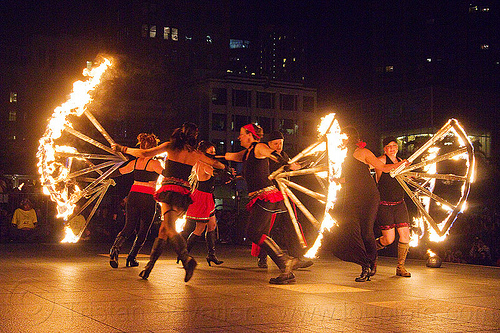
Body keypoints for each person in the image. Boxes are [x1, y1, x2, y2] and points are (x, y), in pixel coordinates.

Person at [113, 123, 225, 282]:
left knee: (170, 227)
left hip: (169, 191)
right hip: (184, 193)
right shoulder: (196, 154)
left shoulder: (171, 147)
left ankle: (187, 260)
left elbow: (144, 153)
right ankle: (148, 268)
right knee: (164, 230)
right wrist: (227, 169)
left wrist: (122, 148)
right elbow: (215, 163)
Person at [328, 127, 407, 282]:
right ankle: (365, 262)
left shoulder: (363, 152)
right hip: (352, 197)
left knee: (365, 232)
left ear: (349, 137)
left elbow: (383, 167)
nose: (340, 139)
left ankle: (368, 265)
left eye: (342, 137)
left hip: (368, 197)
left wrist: (401, 164)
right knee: (349, 229)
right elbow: (351, 177)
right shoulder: (342, 154)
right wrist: (336, 180)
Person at [225, 123, 298, 284]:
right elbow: (232, 156)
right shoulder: (248, 152)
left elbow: (272, 154)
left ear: (250, 135)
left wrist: (286, 162)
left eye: (242, 134)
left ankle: (285, 262)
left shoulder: (259, 147)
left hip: (266, 196)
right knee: (259, 233)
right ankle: (286, 268)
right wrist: (206, 156)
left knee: (254, 233)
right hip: (262, 197)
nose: (239, 137)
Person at [256, 130, 313, 270]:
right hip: (271, 195)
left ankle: (297, 256)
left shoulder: (284, 156)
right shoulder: (267, 156)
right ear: (268, 144)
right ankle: (262, 257)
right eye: (275, 143)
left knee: (292, 224)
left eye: (281, 143)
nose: (278, 146)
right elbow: (277, 168)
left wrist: (304, 165)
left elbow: (289, 170)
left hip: (285, 194)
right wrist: (289, 166)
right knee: (267, 226)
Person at [109, 133, 164, 269]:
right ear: (153, 149)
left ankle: (115, 250)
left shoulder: (134, 162)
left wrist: (105, 175)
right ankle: (132, 257)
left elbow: (120, 172)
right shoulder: (156, 164)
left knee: (129, 226)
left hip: (133, 196)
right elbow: (168, 175)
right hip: (147, 197)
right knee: (143, 230)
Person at [374, 136, 412, 277]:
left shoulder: (401, 162)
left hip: (399, 204)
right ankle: (371, 250)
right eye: (388, 146)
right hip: (385, 205)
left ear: (397, 147)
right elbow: (383, 169)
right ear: (384, 148)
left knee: (405, 235)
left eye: (394, 145)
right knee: (388, 239)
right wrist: (400, 165)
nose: (392, 148)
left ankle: (400, 267)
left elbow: (406, 178)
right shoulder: (381, 160)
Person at [183, 141, 224, 266]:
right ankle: (183, 254)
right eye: (210, 152)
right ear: (203, 153)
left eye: (214, 152)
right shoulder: (204, 165)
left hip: (207, 197)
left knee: (212, 226)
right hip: (202, 198)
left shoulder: (199, 163)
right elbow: (216, 173)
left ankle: (211, 255)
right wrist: (227, 174)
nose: (213, 154)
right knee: (199, 229)